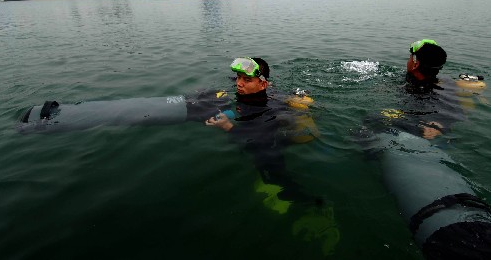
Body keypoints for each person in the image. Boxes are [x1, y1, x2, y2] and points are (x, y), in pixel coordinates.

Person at [362, 40, 491, 260]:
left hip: (420, 135)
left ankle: (367, 160)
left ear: (414, 62)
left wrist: (437, 125)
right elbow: (457, 112)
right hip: (436, 137)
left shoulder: (421, 88)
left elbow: (445, 116)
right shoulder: (445, 83)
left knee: (367, 124)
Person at [205, 57, 340, 256]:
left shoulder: (266, 109)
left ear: (263, 84)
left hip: (275, 135)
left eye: (246, 80)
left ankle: (315, 204)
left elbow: (256, 142)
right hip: (271, 122)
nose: (239, 83)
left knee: (272, 172)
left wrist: (228, 127)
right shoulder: (247, 91)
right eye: (238, 78)